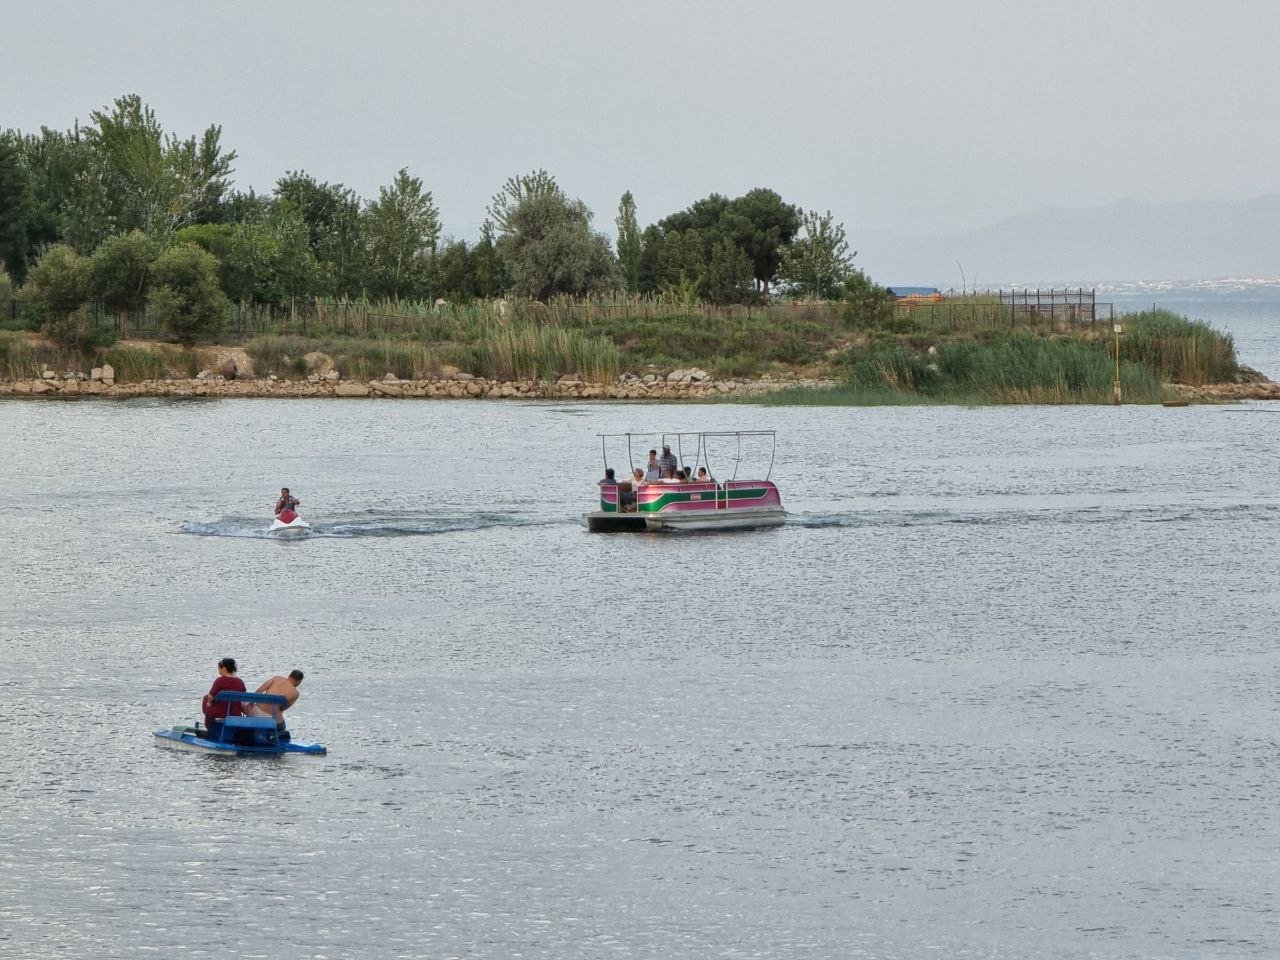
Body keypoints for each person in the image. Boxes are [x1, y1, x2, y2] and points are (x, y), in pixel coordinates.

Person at [201, 657, 246, 742]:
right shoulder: (240, 682)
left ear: (224, 668)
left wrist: (209, 703)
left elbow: (211, 696)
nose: (218, 671)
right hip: (235, 713)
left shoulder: (220, 680)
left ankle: (209, 727)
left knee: (206, 698)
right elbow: (242, 697)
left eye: (219, 668)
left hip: (221, 713)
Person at [252, 670, 304, 742]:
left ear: (289, 675)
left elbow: (258, 691)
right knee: (282, 726)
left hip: (255, 715)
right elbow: (282, 708)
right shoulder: (295, 693)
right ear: (298, 681)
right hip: (273, 721)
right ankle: (273, 735)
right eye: (299, 682)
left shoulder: (276, 678)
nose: (299, 684)